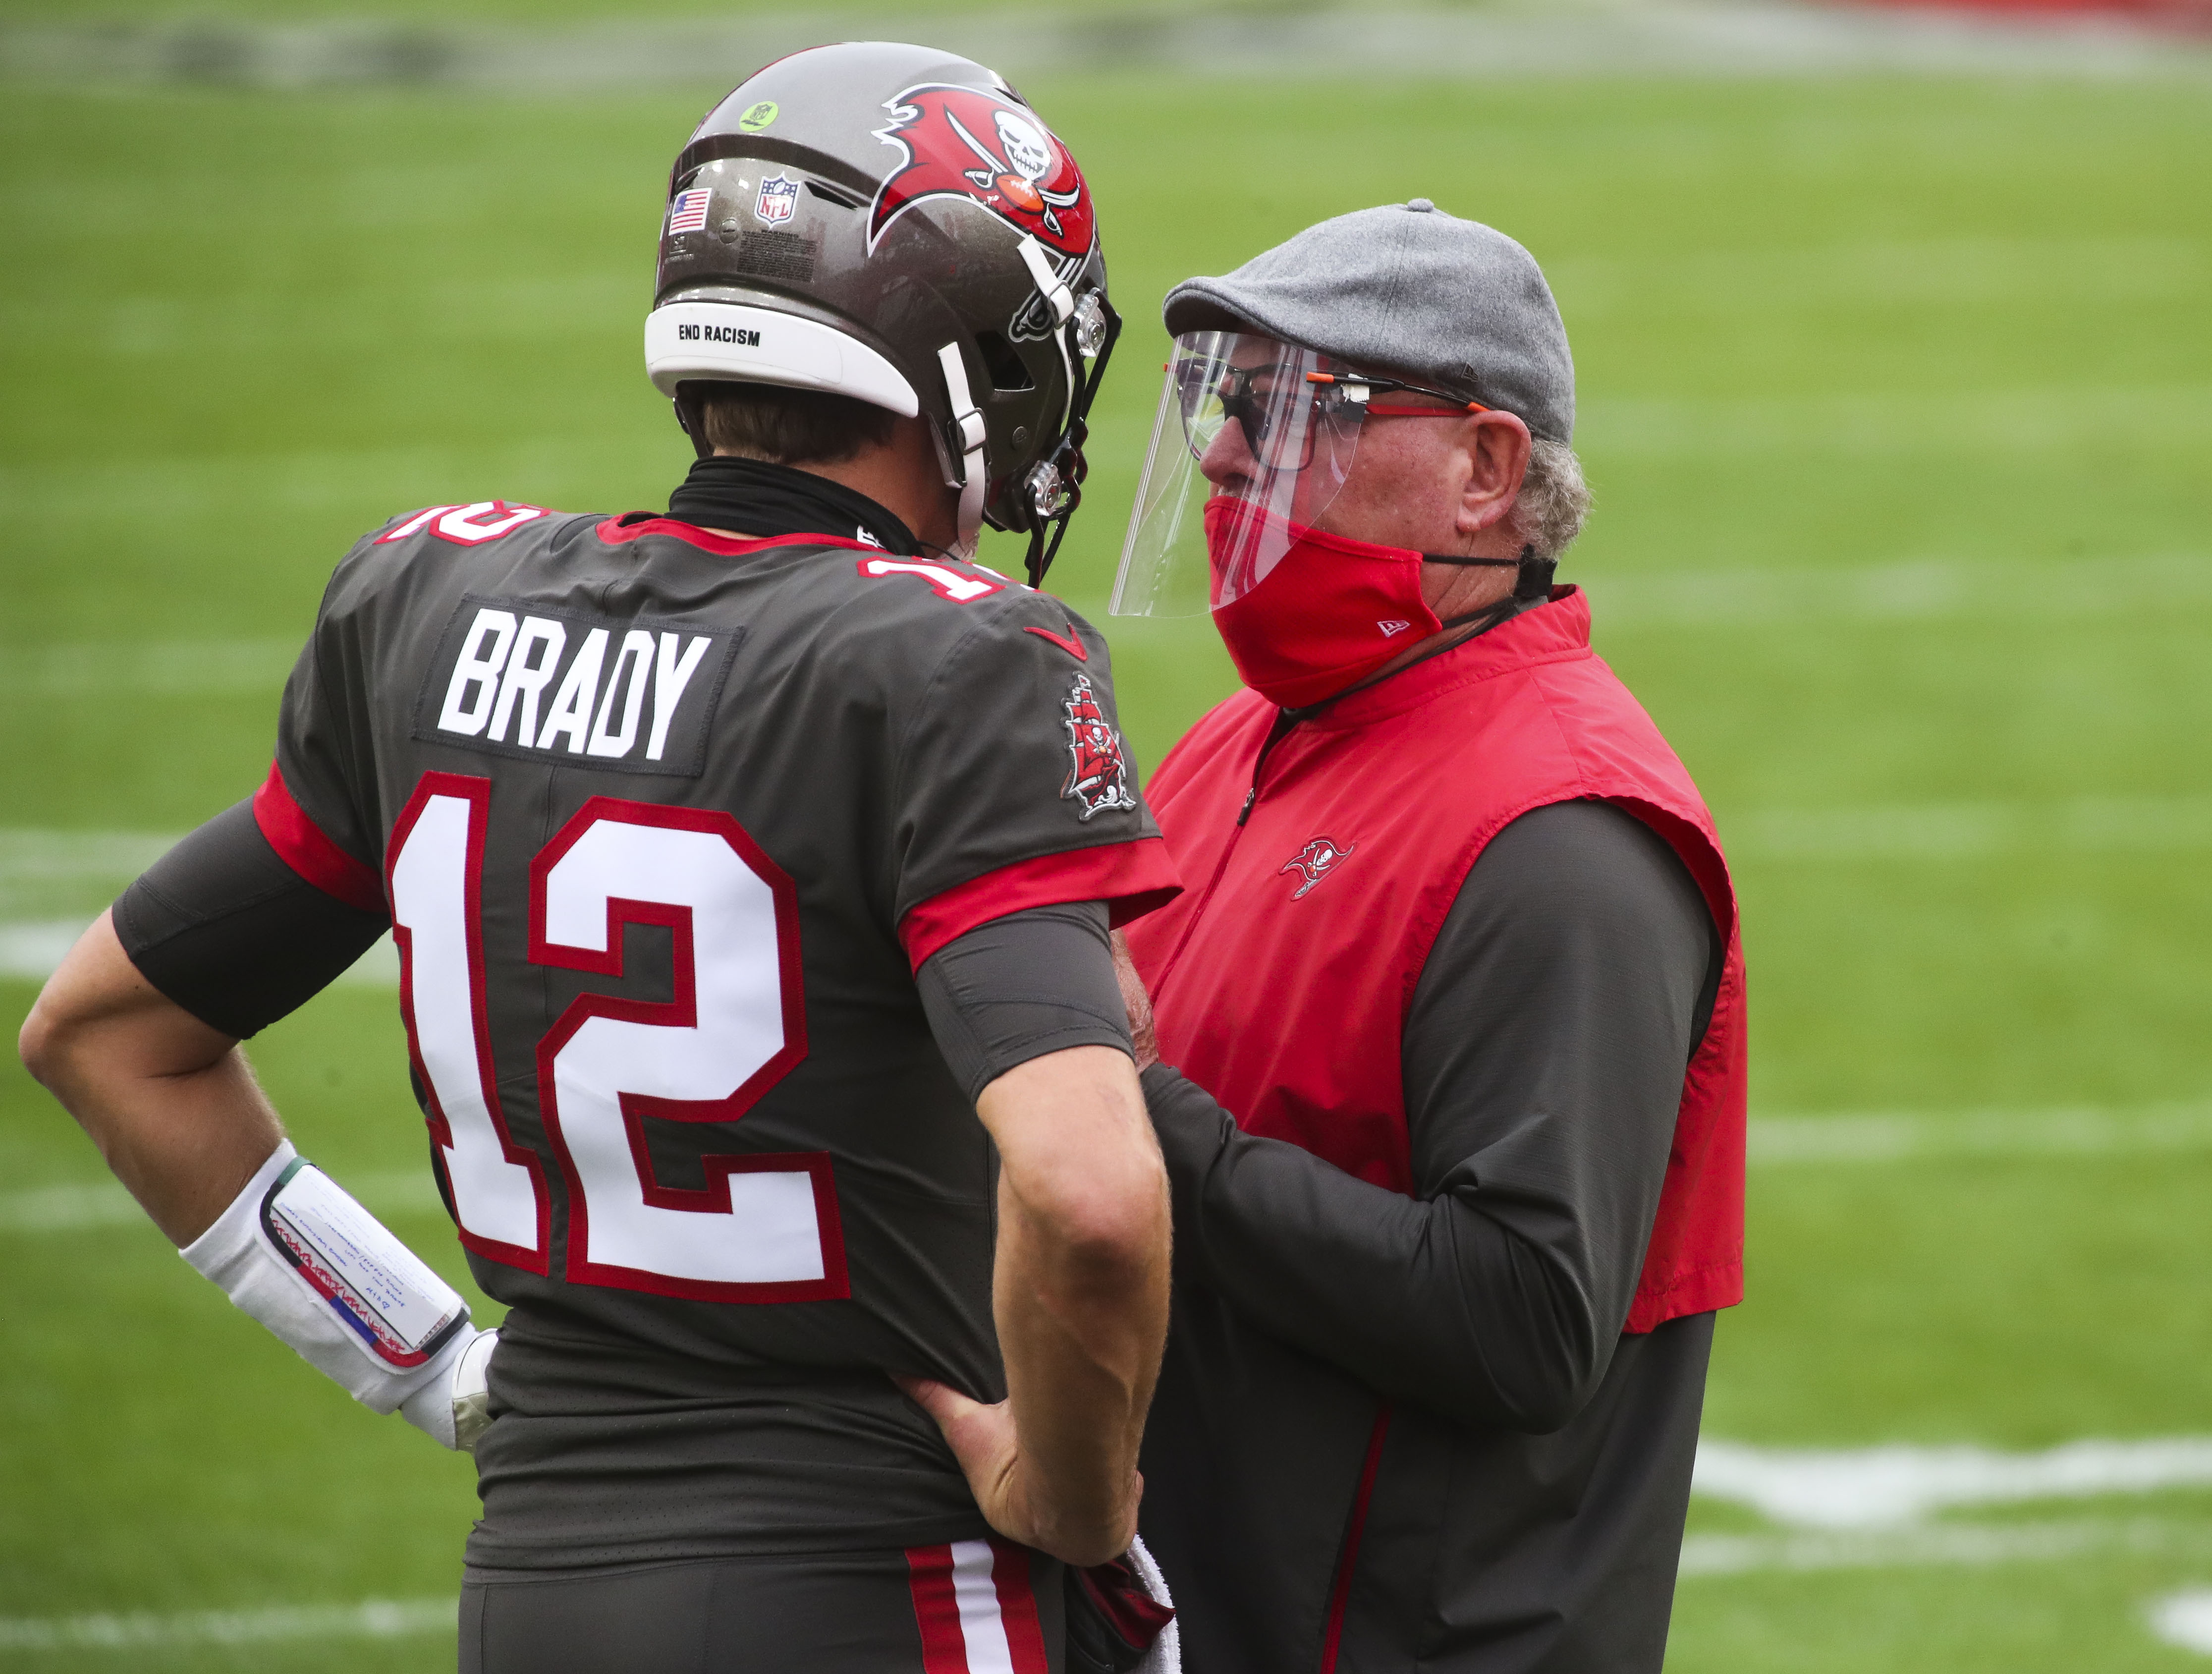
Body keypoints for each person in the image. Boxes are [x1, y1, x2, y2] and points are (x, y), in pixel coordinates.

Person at [18, 43, 1185, 1674]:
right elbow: (1091, 1194)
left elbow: (102, 1035)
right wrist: (1073, 1490)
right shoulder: (957, 658)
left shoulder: (431, 603)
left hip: (539, 1582)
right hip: (872, 1576)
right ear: (962, 352)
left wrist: (436, 1364)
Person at [1107, 200, 1748, 1673]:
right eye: (1224, 403)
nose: (1221, 455)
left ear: (1485, 470)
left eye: (1298, 408)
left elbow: (1526, 1319)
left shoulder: (1565, 832)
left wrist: (1144, 1127)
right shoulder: (1237, 742)